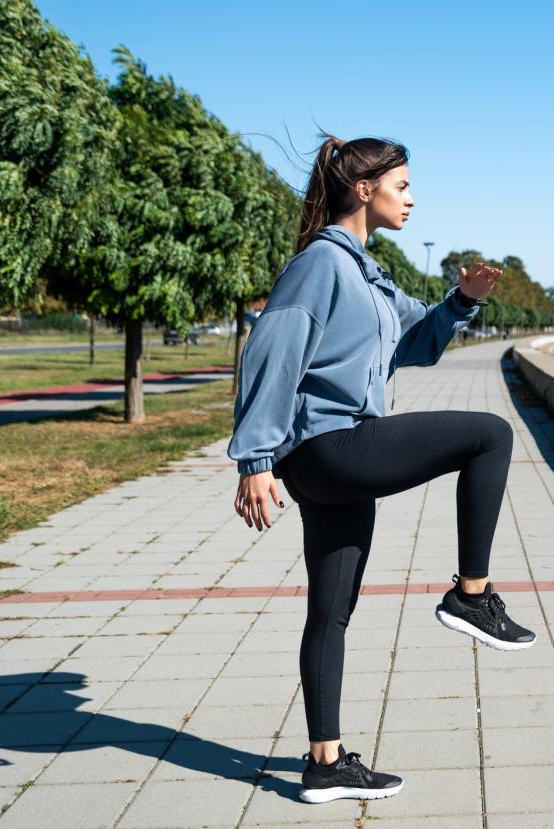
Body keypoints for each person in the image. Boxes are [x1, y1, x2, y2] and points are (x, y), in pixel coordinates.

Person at [227, 134, 537, 805]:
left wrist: (459, 301)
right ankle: (471, 595)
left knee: (329, 613)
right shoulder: (320, 265)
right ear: (363, 189)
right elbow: (271, 352)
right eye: (402, 186)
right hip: (330, 446)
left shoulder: (367, 274)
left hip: (333, 457)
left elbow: (415, 343)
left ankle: (324, 762)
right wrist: (254, 460)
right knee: (488, 434)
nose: (412, 198)